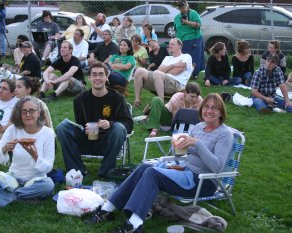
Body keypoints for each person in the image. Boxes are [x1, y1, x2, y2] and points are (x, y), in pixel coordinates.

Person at [85, 93, 233, 233]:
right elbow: (183, 156)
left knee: (152, 173)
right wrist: (178, 146)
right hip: (185, 172)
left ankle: (134, 224)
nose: (209, 111)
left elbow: (217, 167)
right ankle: (107, 209)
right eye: (206, 106)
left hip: (202, 182)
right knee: (144, 167)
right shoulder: (198, 127)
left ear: (221, 112)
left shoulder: (224, 134)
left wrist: (198, 144)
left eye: (214, 108)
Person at [55, 62, 133, 177]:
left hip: (108, 142)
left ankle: (106, 171)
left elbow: (129, 124)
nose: (97, 78)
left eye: (101, 74)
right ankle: (77, 170)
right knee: (62, 127)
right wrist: (84, 128)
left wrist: (110, 123)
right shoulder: (79, 99)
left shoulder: (117, 98)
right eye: (94, 74)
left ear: (107, 77)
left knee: (119, 127)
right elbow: (80, 123)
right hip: (87, 140)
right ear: (89, 77)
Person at [0, 96, 55, 207]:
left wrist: (35, 156)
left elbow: (48, 167)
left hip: (36, 180)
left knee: (48, 185)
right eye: (24, 111)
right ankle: (20, 198)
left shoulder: (48, 133)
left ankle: (6, 197)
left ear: (39, 112)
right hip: (12, 177)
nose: (28, 115)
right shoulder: (12, 129)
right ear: (19, 114)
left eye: (32, 110)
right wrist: (4, 150)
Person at [133, 38, 193, 106]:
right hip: (159, 81)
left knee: (157, 74)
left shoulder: (186, 56)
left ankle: (160, 104)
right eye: (169, 44)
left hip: (176, 85)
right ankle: (137, 100)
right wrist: (173, 65)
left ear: (179, 46)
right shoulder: (167, 58)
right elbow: (159, 70)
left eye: (172, 44)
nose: (169, 46)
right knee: (139, 70)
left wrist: (165, 70)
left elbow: (176, 72)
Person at [174, 0, 204, 79]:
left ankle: (195, 74)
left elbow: (199, 24)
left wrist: (187, 22)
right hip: (182, 40)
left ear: (187, 5)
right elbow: (175, 29)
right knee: (184, 58)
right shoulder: (177, 17)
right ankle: (184, 72)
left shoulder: (193, 13)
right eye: (180, 8)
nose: (182, 9)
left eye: (183, 7)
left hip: (194, 39)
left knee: (194, 57)